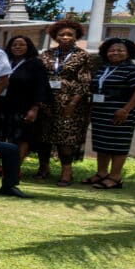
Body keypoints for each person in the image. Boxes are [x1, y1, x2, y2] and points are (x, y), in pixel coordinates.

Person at [37, 19, 93, 186]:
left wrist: (73, 103)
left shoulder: (82, 56)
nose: (65, 37)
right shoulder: (47, 54)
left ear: (76, 37)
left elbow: (85, 82)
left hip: (70, 104)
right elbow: (39, 77)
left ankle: (67, 172)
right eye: (62, 34)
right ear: (55, 36)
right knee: (44, 137)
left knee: (66, 138)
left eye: (70, 35)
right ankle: (44, 167)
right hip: (47, 103)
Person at [87, 38, 135, 190]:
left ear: (129, 53)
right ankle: (101, 173)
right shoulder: (103, 68)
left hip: (122, 114)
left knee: (118, 144)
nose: (115, 53)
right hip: (101, 113)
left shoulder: (134, 70)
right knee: (102, 144)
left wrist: (126, 109)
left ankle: (115, 177)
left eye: (120, 50)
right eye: (112, 50)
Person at [0, 35, 50, 172]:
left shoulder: (35, 64)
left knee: (21, 136)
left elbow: (41, 87)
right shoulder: (5, 61)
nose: (17, 47)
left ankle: (13, 168)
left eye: (21, 45)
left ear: (28, 47)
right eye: (14, 45)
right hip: (1, 104)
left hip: (22, 105)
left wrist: (35, 108)